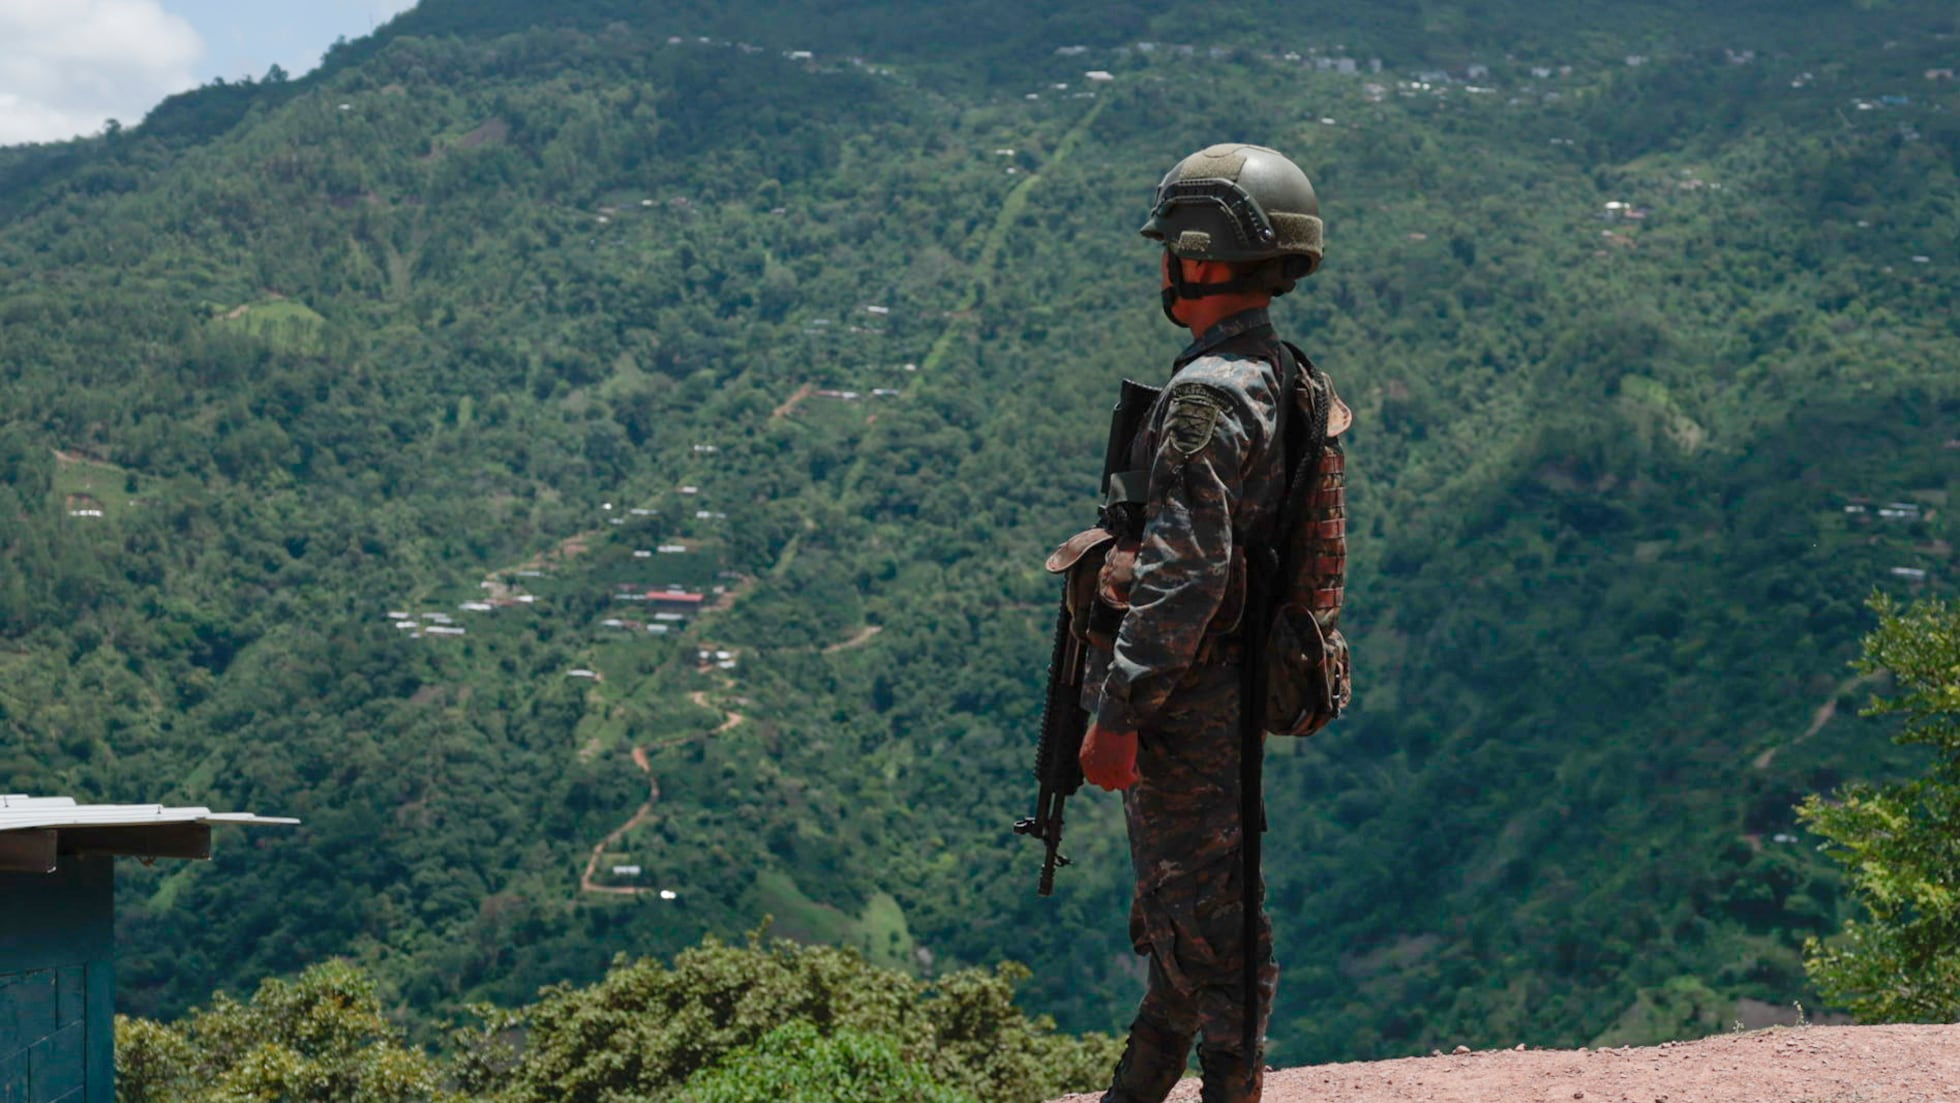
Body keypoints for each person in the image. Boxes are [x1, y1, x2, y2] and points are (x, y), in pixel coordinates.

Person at [1075, 143, 1326, 1103]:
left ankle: (1229, 1084)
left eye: (1173, 250)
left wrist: (1121, 707)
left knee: (1199, 914)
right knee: (1206, 898)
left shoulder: (1204, 398)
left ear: (1202, 258)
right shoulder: (1280, 373)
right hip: (1230, 684)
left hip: (1183, 695)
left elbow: (1185, 570)